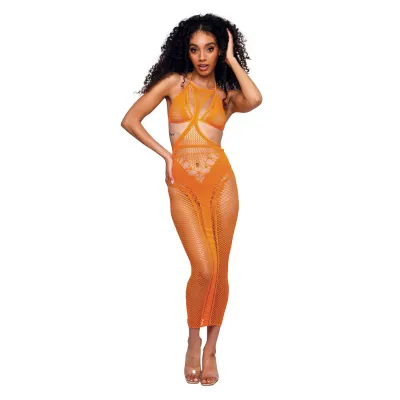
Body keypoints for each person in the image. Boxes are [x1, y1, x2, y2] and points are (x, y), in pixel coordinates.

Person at [121, 13, 262, 386]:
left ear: (219, 51)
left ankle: (211, 350)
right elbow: (130, 120)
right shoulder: (173, 83)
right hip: (182, 185)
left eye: (210, 49)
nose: (202, 57)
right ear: (185, 51)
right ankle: (193, 339)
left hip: (221, 183)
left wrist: (232, 60)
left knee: (220, 269)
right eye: (195, 49)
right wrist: (166, 156)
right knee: (202, 268)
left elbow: (255, 98)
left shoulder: (225, 95)